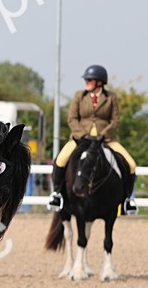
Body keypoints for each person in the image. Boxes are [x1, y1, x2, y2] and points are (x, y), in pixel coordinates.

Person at [47, 64, 139, 214]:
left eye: (90, 80)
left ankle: (128, 200)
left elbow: (115, 121)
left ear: (99, 82)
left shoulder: (111, 98)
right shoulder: (79, 96)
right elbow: (72, 118)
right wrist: (83, 135)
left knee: (131, 163)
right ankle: (56, 194)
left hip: (106, 139)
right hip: (81, 138)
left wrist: (103, 134)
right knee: (60, 159)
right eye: (86, 80)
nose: (86, 82)